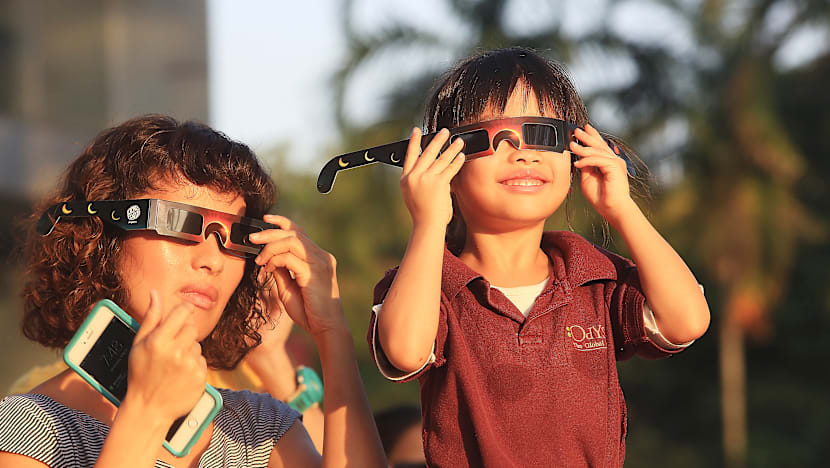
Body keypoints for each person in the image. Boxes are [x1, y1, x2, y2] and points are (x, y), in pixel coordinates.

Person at [368, 47, 711, 467]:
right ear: (445, 163)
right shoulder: (427, 283)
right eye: (496, 136)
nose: (524, 153)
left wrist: (622, 208)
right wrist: (428, 223)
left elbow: (687, 321)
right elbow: (405, 351)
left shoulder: (594, 277)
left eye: (545, 135)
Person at [0, 115, 386, 467]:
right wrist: (147, 414)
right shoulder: (30, 431)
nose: (213, 260)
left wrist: (332, 333)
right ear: (103, 238)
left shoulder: (260, 429)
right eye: (179, 223)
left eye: (236, 237)